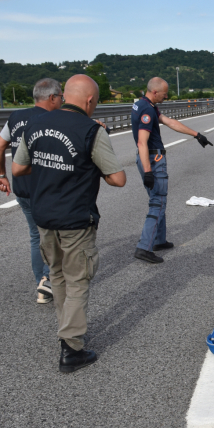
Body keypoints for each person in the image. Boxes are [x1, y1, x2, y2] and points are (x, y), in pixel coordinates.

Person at [11, 75, 126, 373]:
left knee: (57, 275)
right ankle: (71, 348)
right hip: (75, 218)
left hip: (43, 216)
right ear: (89, 101)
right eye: (96, 102)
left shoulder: (35, 123)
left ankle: (67, 329)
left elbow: (19, 167)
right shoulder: (91, 130)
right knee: (78, 280)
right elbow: (118, 179)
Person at [0, 78, 63, 304]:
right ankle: (56, 281)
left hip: (22, 188)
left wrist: (1, 175)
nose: (62, 101)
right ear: (52, 97)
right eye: (61, 97)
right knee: (58, 236)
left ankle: (42, 285)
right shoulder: (55, 119)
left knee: (36, 235)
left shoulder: (14, 117)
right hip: (48, 188)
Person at [131, 77, 213, 264]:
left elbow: (169, 122)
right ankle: (144, 247)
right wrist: (148, 171)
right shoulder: (146, 110)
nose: (167, 96)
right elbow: (142, 142)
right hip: (153, 158)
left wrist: (196, 134)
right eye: (164, 93)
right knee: (157, 203)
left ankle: (159, 240)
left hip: (150, 157)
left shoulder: (145, 104)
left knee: (159, 200)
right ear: (154, 92)